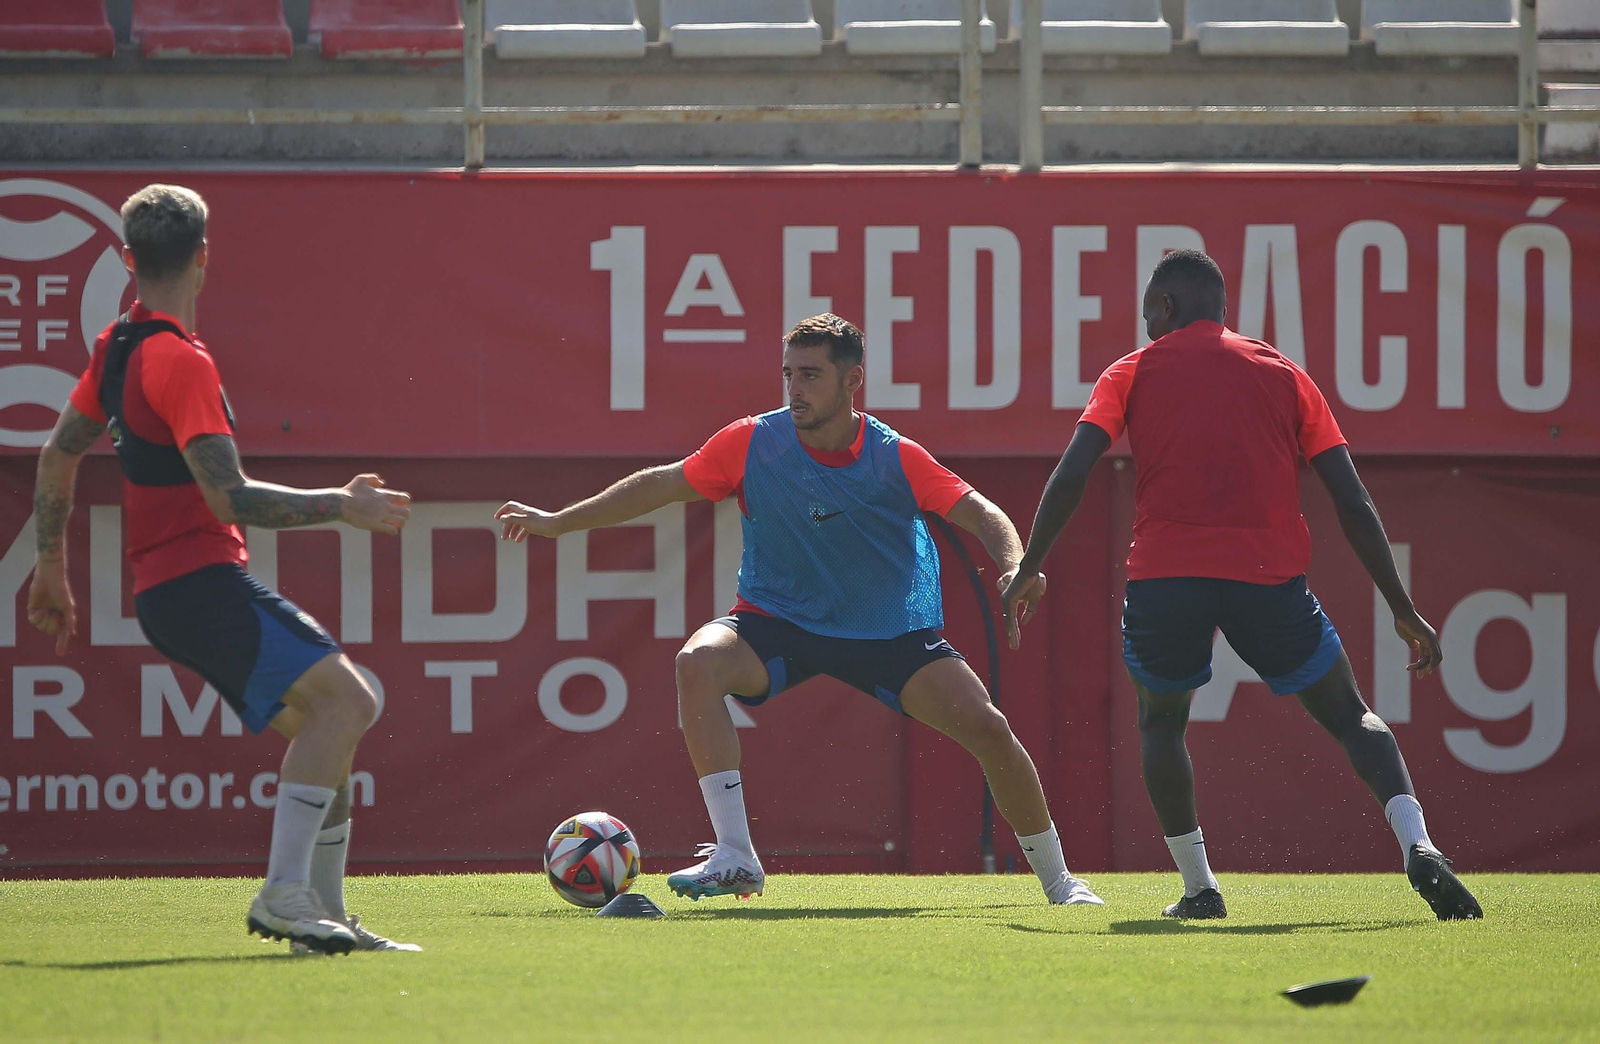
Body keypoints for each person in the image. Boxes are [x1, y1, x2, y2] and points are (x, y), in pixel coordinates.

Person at [496, 313, 1101, 906]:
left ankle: (1059, 882)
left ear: (851, 382)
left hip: (886, 632)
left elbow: (979, 511)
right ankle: (736, 856)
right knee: (697, 664)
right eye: (789, 374)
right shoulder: (752, 441)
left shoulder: (895, 456)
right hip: (777, 621)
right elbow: (663, 483)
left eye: (811, 375)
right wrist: (558, 522)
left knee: (990, 730)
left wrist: (1015, 565)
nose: (795, 389)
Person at [1002, 249, 1482, 922]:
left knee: (1161, 723)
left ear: (1165, 308)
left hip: (1166, 579)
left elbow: (1075, 471)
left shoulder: (1131, 372)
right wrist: (1401, 608)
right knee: (1352, 716)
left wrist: (1029, 566)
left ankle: (1200, 888)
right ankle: (1420, 843)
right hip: (1269, 582)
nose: (1145, 324)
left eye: (1148, 311)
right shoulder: (1283, 373)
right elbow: (1352, 499)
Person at [26, 184, 421, 953]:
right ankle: (284, 895)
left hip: (169, 594)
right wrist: (343, 504)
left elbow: (58, 451)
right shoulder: (178, 360)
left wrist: (49, 567)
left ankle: (325, 917)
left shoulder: (115, 349)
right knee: (351, 703)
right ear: (205, 260)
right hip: (196, 583)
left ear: (126, 260)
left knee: (326, 723)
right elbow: (230, 497)